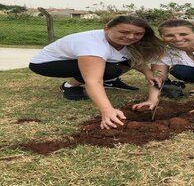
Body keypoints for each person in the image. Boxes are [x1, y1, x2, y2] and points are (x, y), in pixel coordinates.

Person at [29, 15, 165, 129]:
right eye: (124, 32)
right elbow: (93, 81)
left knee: (114, 67)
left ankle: (111, 81)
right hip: (47, 64)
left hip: (77, 60)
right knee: (109, 69)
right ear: (106, 28)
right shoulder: (93, 45)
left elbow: (133, 59)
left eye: (138, 34)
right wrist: (107, 110)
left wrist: (147, 72)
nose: (131, 37)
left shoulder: (128, 43)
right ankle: (69, 86)